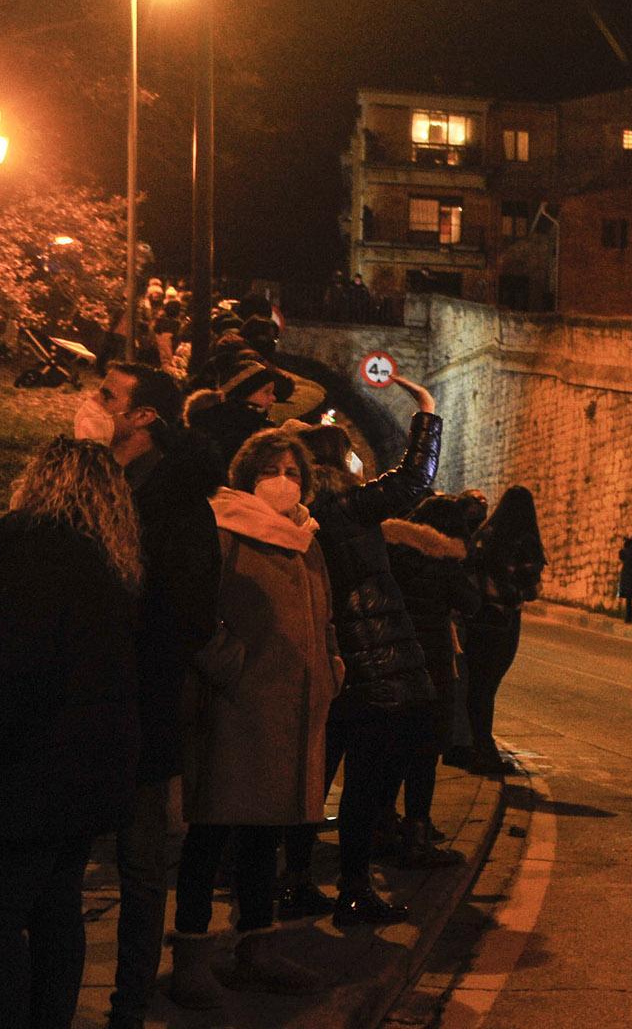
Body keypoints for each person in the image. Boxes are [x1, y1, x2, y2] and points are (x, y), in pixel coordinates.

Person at [0, 438, 142, 1029]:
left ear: (41, 481)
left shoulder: (24, 544)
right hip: (86, 773)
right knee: (56, 907)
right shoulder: (107, 562)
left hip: (24, 769)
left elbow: (5, 664)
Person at [72, 362, 223, 1029]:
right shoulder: (88, 485)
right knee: (64, 863)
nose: (91, 402)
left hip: (137, 701)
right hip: (76, 702)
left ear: (141, 417)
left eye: (107, 395)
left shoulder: (176, 503)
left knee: (139, 864)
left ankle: (128, 1007)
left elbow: (186, 612)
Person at [168, 428, 337, 1004]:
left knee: (267, 836)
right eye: (273, 469)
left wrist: (331, 668)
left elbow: (324, 617)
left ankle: (256, 947)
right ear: (247, 474)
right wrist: (229, 666)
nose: (284, 482)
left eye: (294, 472)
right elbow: (195, 609)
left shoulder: (307, 539)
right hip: (236, 709)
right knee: (212, 833)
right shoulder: (223, 529)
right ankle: (191, 952)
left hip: (294, 713)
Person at [284, 377, 441, 927]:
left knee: (314, 781)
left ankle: (297, 883)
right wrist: (425, 411)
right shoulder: (347, 508)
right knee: (366, 785)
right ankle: (353, 891)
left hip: (327, 664)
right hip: (372, 665)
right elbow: (414, 479)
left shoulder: (302, 516)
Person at [383, 494, 488, 867]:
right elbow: (472, 603)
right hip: (431, 667)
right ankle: (416, 835)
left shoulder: (389, 550)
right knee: (424, 754)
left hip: (390, 662)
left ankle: (380, 826)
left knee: (388, 752)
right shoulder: (444, 563)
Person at [464, 486, 546, 775]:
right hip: (502, 621)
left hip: (476, 618)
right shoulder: (523, 541)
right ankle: (483, 752)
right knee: (487, 688)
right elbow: (531, 588)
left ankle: (472, 746)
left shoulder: (483, 536)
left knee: (475, 688)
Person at [186, 361, 291, 468]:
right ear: (243, 394)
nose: (274, 398)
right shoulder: (245, 430)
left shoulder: (211, 420)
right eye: (266, 392)